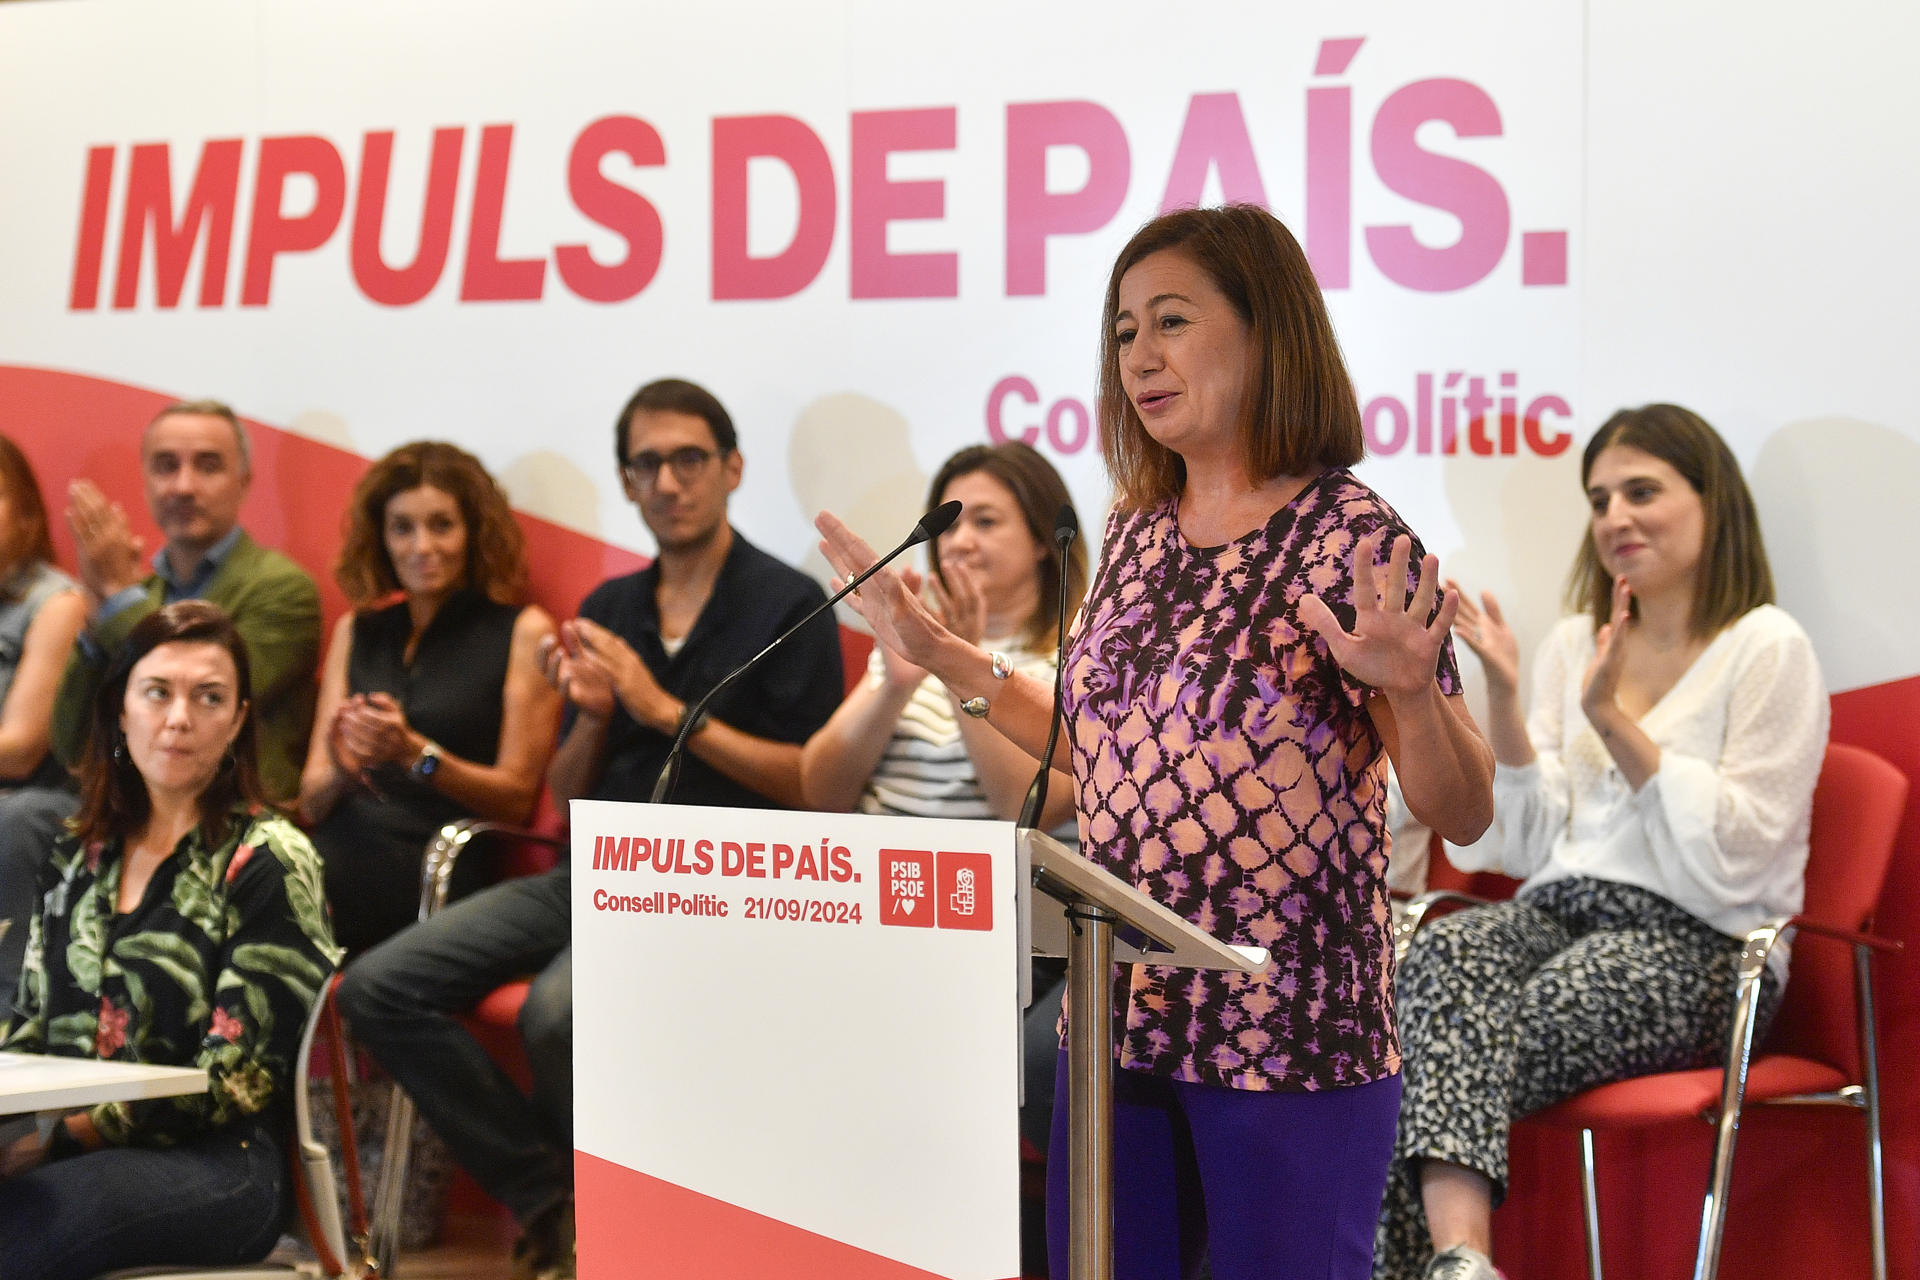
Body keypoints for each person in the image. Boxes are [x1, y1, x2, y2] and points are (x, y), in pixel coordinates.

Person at [817, 204, 1494, 1280]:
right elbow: (1098, 745)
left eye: (1171, 320)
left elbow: (1463, 809)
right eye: (1123, 330)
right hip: (1121, 1016)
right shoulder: (1136, 529)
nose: (1139, 355)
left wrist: (1413, 696)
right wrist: (948, 655)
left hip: (1289, 1036)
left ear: (1267, 332)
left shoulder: (1351, 538)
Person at [338, 377, 843, 1280]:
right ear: (627, 480)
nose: (668, 481)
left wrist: (659, 705)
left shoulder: (787, 603)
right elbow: (567, 796)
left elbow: (811, 787)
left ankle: (616, 1225)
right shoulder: (612, 609)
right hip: (598, 868)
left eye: (689, 459)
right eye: (646, 464)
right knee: (380, 987)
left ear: (731, 468)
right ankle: (548, 1197)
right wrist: (603, 716)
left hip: (726, 882)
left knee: (556, 1014)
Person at [1375, 404, 1828, 1280]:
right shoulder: (1580, 641)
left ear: (1712, 501)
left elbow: (1738, 855)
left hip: (1701, 947)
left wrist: (1609, 719)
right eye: (1600, 498)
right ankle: (1462, 1264)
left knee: (1428, 1057)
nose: (1615, 516)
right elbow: (1517, 843)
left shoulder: (1768, 647)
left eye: (1642, 491)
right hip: (1559, 911)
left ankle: (1457, 1262)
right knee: (1449, 948)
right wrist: (1506, 697)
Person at [0, 601, 341, 1280]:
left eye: (208, 697)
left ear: (239, 719)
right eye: (158, 692)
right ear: (121, 710)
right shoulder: (80, 857)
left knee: (19, 1232)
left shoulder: (268, 856)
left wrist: (59, 1137)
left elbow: (237, 1081)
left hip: (220, 1163)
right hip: (69, 1151)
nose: (179, 717)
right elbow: (29, 1034)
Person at [799, 440, 1086, 1239]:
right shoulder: (906, 646)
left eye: (985, 521)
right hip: (868, 916)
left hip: (999, 932)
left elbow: (1022, 806)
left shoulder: (1079, 657)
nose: (959, 541)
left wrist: (964, 675)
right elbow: (820, 794)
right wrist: (894, 683)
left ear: (1039, 537)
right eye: (951, 525)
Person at [299, 441, 561, 953]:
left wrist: (414, 754)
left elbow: (516, 798)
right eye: (402, 527)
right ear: (381, 538)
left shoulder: (523, 631)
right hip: (340, 844)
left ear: (474, 533)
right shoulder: (358, 629)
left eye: (441, 525)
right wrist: (343, 764)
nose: (421, 546)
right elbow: (311, 799)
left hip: (436, 861)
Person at [0, 436, 86, 1023]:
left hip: (33, 805)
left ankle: (11, 1020)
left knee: (20, 813)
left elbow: (21, 748)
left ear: (26, 510)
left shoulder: (56, 602)